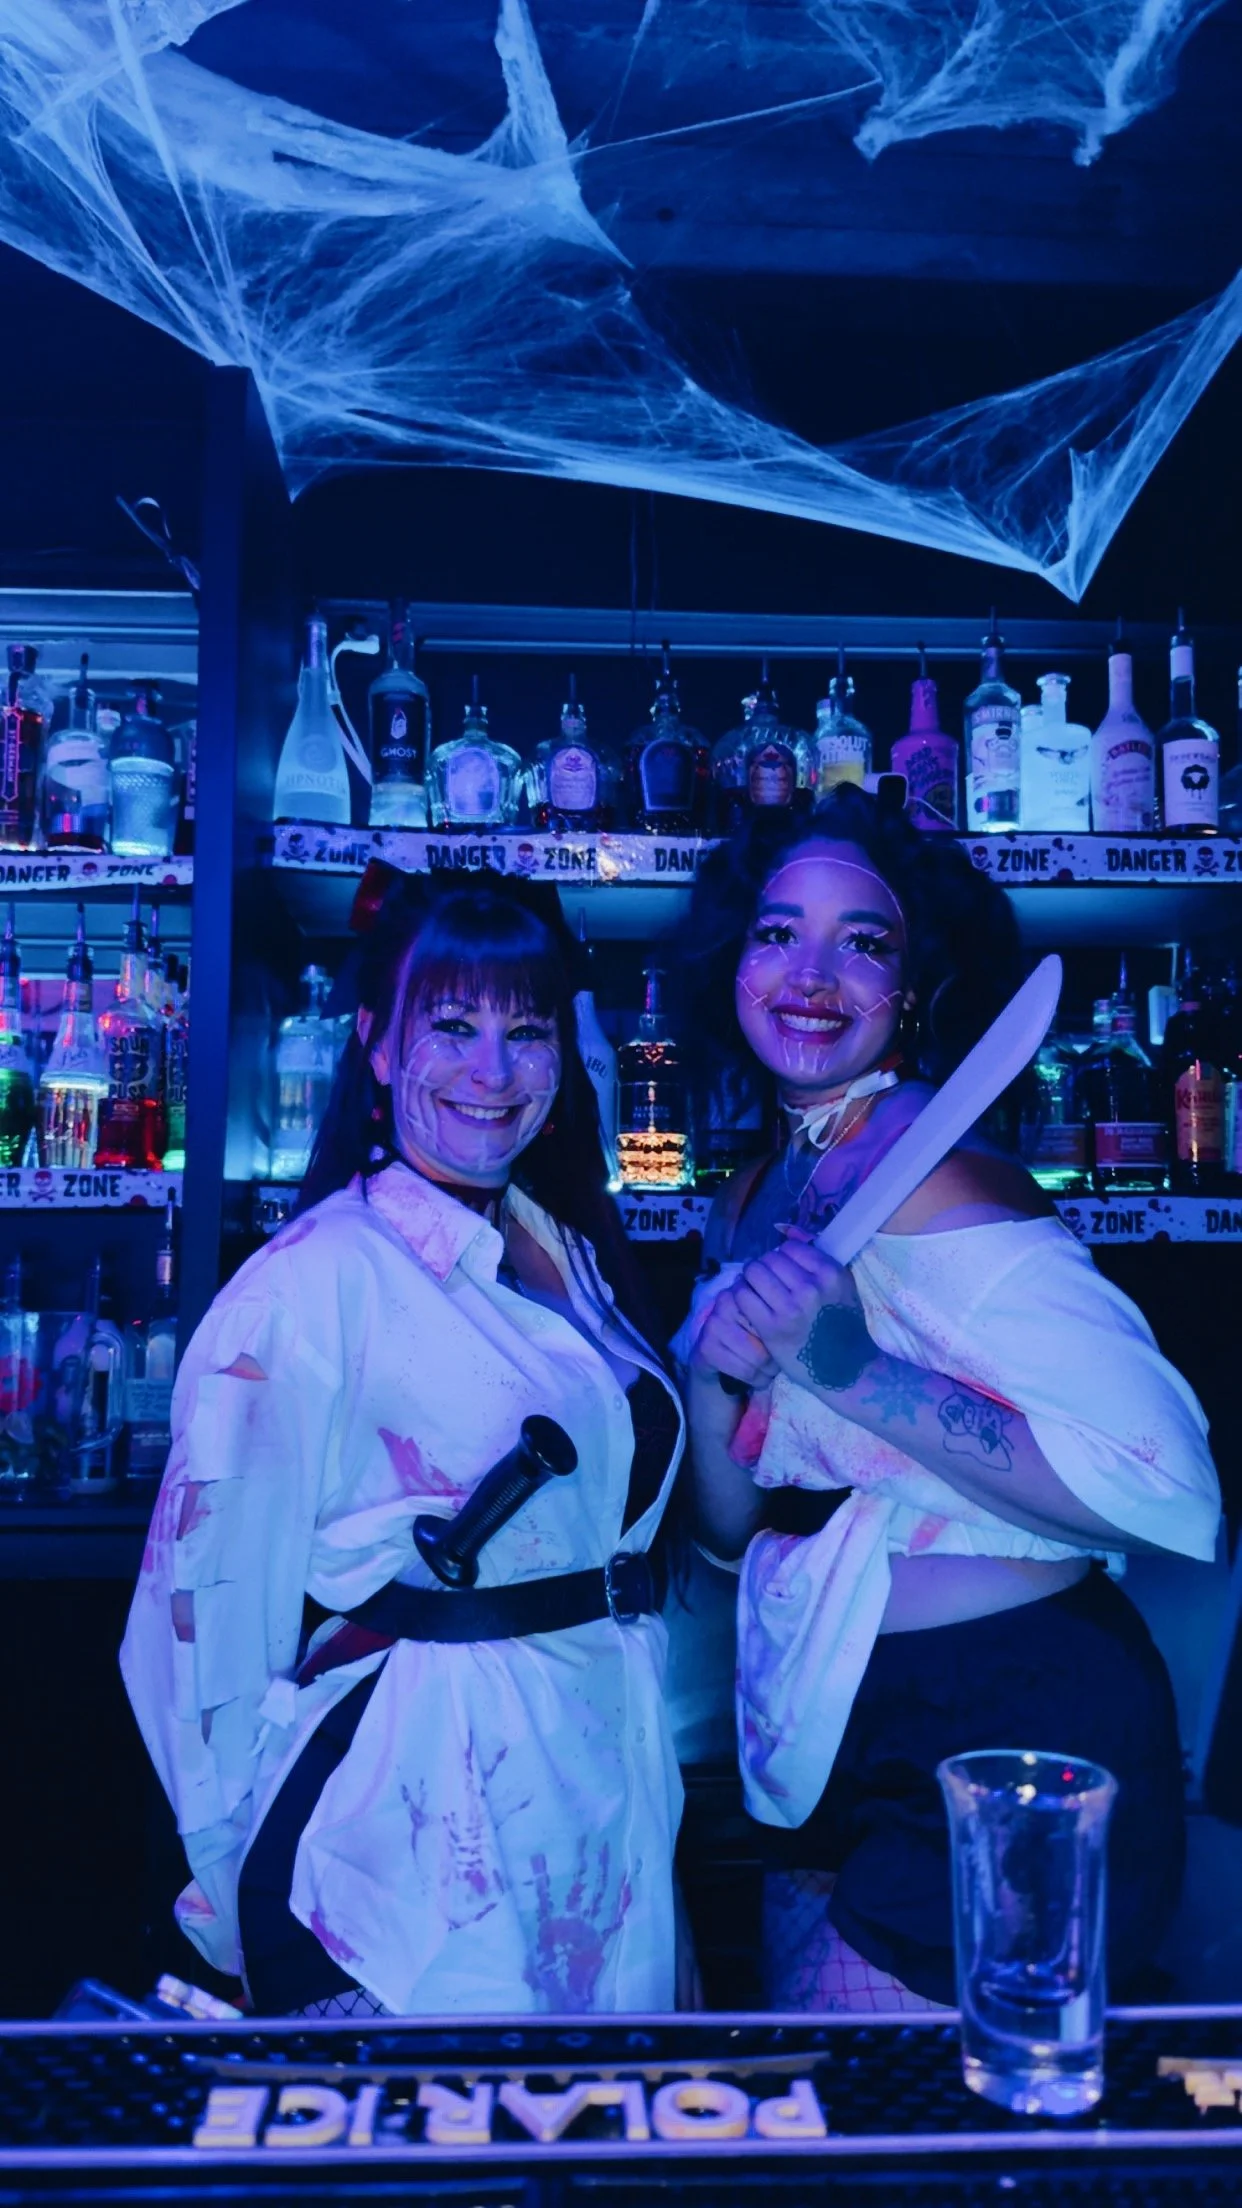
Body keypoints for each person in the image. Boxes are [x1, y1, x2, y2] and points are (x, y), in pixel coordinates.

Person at [678, 786, 1220, 2013]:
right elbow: (729, 1529)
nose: (812, 975)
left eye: (863, 942)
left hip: (1010, 1712)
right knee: (826, 2097)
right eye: (778, 933)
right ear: (733, 965)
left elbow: (1169, 1484)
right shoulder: (751, 1195)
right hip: (813, 1715)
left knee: (911, 2108)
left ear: (911, 986)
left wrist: (849, 1368)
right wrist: (716, 1388)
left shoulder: (948, 1179)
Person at [122, 868, 684, 2017]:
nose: (494, 1071)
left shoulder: (567, 1251)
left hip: (601, 1800)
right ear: (376, 1045)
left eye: (527, 1032)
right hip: (407, 1860)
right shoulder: (311, 1284)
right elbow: (192, 1623)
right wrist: (229, 1872)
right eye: (454, 1026)